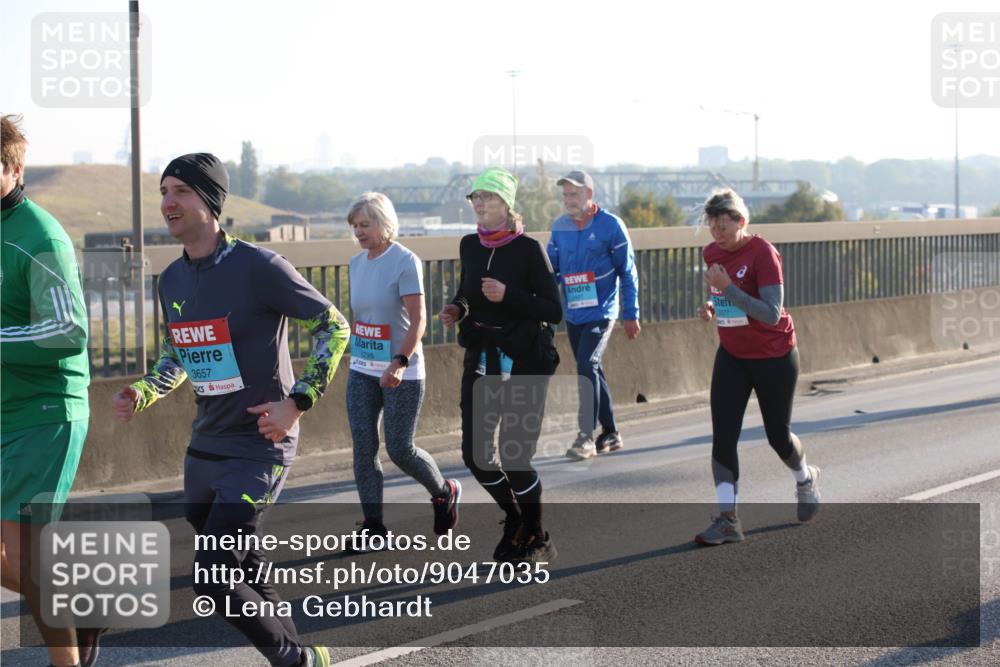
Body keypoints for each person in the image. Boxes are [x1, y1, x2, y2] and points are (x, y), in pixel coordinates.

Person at [111, 153, 348, 666]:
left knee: (212, 575)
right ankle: (306, 659)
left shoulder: (260, 267)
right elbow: (179, 355)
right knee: (243, 565)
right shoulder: (170, 279)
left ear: (210, 201)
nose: (168, 202)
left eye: (181, 191)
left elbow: (335, 326)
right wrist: (142, 392)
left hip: (260, 446)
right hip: (205, 446)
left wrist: (297, 402)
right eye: (164, 191)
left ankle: (295, 660)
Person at [1, 114, 91, 667]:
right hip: (4, 410)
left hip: (45, 412)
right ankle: (76, 610)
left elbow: (68, 329)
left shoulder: (41, 235)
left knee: (30, 560)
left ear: (13, 168)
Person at [439, 166, 562, 562]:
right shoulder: (469, 246)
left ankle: (538, 537)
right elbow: (470, 291)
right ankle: (515, 518)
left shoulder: (528, 249)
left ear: (507, 206)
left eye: (488, 198)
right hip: (483, 357)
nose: (479, 204)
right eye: (475, 197)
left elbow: (552, 310)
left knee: (514, 455)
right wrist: (458, 308)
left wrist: (509, 294)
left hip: (525, 357)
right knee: (475, 454)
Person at [694, 188, 820, 546]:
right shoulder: (712, 252)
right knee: (723, 437)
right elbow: (723, 293)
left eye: (723, 225)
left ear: (741, 221)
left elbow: (770, 312)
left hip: (774, 356)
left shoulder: (763, 252)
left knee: (777, 436)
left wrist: (728, 289)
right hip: (733, 354)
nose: (717, 233)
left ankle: (804, 477)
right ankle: (727, 519)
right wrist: (712, 304)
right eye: (712, 226)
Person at [344, 192, 460, 544]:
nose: (359, 232)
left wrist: (399, 361)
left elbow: (419, 319)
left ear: (384, 223)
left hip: (402, 369)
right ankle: (373, 527)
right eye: (354, 226)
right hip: (363, 367)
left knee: (399, 448)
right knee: (364, 448)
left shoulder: (405, 261)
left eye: (365, 224)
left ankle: (443, 491)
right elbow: (360, 316)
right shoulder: (355, 263)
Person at [547, 170, 640, 460]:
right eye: (565, 194)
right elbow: (552, 271)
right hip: (574, 313)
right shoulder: (560, 226)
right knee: (592, 368)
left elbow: (628, 272)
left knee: (587, 365)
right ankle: (611, 432)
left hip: (603, 311)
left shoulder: (611, 225)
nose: (568, 199)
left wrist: (630, 313)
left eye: (574, 193)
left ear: (589, 194)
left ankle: (585, 436)